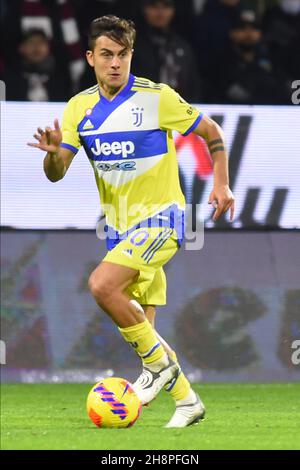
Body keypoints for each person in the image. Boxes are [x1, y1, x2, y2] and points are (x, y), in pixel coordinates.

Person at [28, 15, 235, 427]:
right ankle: (187, 400)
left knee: (101, 284)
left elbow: (210, 130)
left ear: (131, 56)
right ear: (90, 58)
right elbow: (58, 171)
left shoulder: (156, 97)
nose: (115, 63)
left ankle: (158, 372)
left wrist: (222, 185)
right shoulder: (78, 108)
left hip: (164, 220)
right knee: (145, 331)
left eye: (122, 54)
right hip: (120, 231)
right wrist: (53, 154)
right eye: (106, 54)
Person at [131, 0, 201, 102]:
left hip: (179, 110)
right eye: (153, 6)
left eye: (166, 6)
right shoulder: (133, 46)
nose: (160, 12)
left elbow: (193, 85)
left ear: (173, 10)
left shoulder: (182, 46)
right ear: (144, 9)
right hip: (141, 108)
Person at [4, 29, 70, 101]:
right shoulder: (10, 78)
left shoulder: (61, 77)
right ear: (21, 48)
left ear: (48, 47)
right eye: (31, 42)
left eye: (41, 42)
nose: (36, 47)